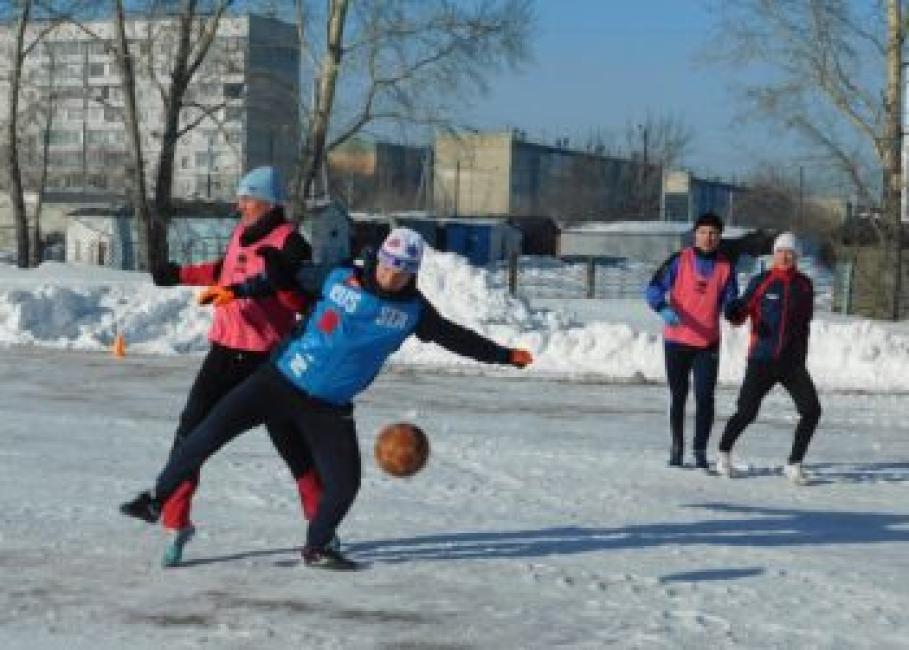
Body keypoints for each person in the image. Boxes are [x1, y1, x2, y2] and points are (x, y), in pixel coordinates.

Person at [121, 227, 534, 570]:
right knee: (207, 432)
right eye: (390, 265)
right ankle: (157, 501)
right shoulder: (340, 276)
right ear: (379, 259)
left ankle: (317, 547)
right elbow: (285, 278)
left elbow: (455, 338)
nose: (394, 276)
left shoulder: (412, 311)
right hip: (279, 380)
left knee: (345, 484)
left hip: (328, 407)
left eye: (404, 270)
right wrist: (237, 289)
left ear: (414, 273)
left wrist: (505, 355)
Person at [148, 166, 325, 566]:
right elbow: (222, 270)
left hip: (271, 362)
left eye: (246, 198)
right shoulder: (239, 235)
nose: (239, 205)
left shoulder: (291, 244)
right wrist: (179, 274)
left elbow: (298, 298)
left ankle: (322, 529)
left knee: (293, 446)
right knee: (190, 436)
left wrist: (278, 292)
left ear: (266, 201)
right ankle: (177, 526)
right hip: (224, 356)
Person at [716, 232, 821, 484]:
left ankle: (794, 464)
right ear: (774, 255)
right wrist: (733, 312)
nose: (785, 256)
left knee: (812, 411)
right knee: (746, 413)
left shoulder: (805, 285)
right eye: (780, 251)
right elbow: (741, 311)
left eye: (790, 253)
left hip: (791, 363)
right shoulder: (761, 281)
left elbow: (805, 324)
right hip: (762, 360)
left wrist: (801, 356)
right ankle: (723, 455)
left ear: (796, 257)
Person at [645, 212, 739, 469]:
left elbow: (731, 299)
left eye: (713, 234)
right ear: (695, 234)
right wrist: (662, 308)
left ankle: (700, 450)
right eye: (703, 232)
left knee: (705, 397)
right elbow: (652, 288)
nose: (708, 238)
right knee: (679, 394)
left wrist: (735, 311)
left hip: (707, 343)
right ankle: (677, 447)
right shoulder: (679, 260)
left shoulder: (726, 267)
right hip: (676, 340)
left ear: (719, 237)